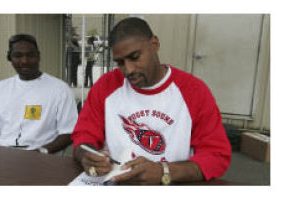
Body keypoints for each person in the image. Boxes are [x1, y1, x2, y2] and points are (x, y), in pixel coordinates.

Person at [71, 17, 231, 185]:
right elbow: (84, 135)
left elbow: (216, 155)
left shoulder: (194, 91)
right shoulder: (106, 86)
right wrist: (86, 156)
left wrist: (165, 172)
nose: (128, 69)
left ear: (154, 45)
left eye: (135, 57)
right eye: (120, 63)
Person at [0, 34, 78, 154]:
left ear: (38, 56)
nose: (24, 61)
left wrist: (41, 151)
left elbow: (69, 132)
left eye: (30, 55)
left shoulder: (60, 90)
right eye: (18, 56)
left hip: (42, 158)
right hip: (3, 157)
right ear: (10, 58)